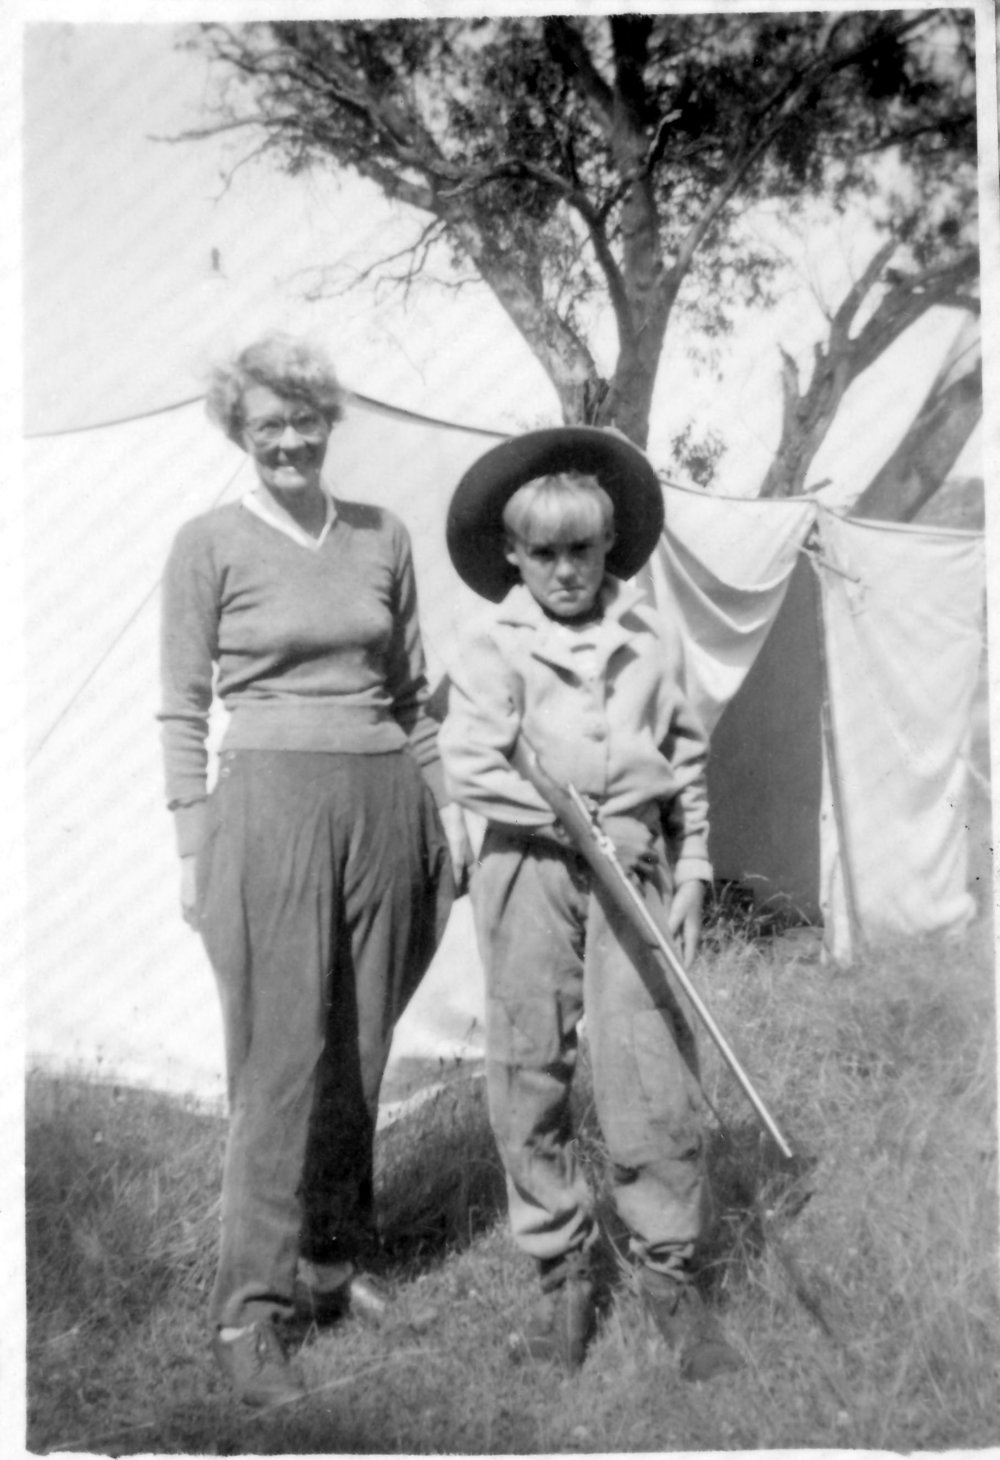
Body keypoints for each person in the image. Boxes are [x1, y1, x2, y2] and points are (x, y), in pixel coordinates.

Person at [158, 333, 467, 1406]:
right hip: (269, 807)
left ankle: (331, 1265)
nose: (286, 439)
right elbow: (181, 705)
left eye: (302, 420)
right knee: (279, 1057)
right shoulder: (208, 543)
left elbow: (413, 686)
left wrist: (447, 807)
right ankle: (251, 1306)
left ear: (328, 424)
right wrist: (194, 841)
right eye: (263, 425)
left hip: (386, 798)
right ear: (239, 434)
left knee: (364, 1046)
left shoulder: (382, 536)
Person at [439, 428, 743, 1382]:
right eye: (544, 553)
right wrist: (564, 822)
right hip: (529, 873)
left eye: (582, 550)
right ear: (515, 557)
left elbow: (687, 762)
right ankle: (562, 1274)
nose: (565, 571)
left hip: (637, 875)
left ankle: (667, 1276)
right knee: (529, 1067)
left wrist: (692, 867)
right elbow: (472, 765)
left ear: (609, 548)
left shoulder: (651, 633)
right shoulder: (492, 639)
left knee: (650, 1070)